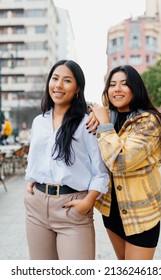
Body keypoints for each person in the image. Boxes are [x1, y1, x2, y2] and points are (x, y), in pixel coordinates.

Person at [24, 59, 109, 260]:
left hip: (72, 207)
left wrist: (87, 202)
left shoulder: (87, 124)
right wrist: (30, 182)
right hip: (36, 208)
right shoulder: (39, 121)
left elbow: (101, 171)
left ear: (78, 88)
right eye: (55, 79)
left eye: (67, 80)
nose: (58, 85)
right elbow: (36, 158)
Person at [89, 65, 161, 260]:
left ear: (136, 88)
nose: (117, 89)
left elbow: (120, 162)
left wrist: (104, 125)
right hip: (111, 212)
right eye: (112, 84)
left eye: (124, 84)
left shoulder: (148, 122)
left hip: (141, 214)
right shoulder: (107, 117)